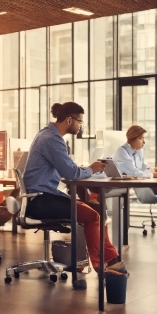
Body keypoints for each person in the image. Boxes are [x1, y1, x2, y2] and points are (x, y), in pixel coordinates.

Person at [23, 101, 124, 272]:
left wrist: (84, 170)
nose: (81, 126)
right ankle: (102, 265)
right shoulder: (52, 140)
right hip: (41, 201)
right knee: (92, 215)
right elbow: (71, 174)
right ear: (69, 120)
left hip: (43, 197)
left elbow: (67, 169)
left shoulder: (46, 135)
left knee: (96, 210)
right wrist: (91, 169)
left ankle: (110, 260)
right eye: (80, 121)